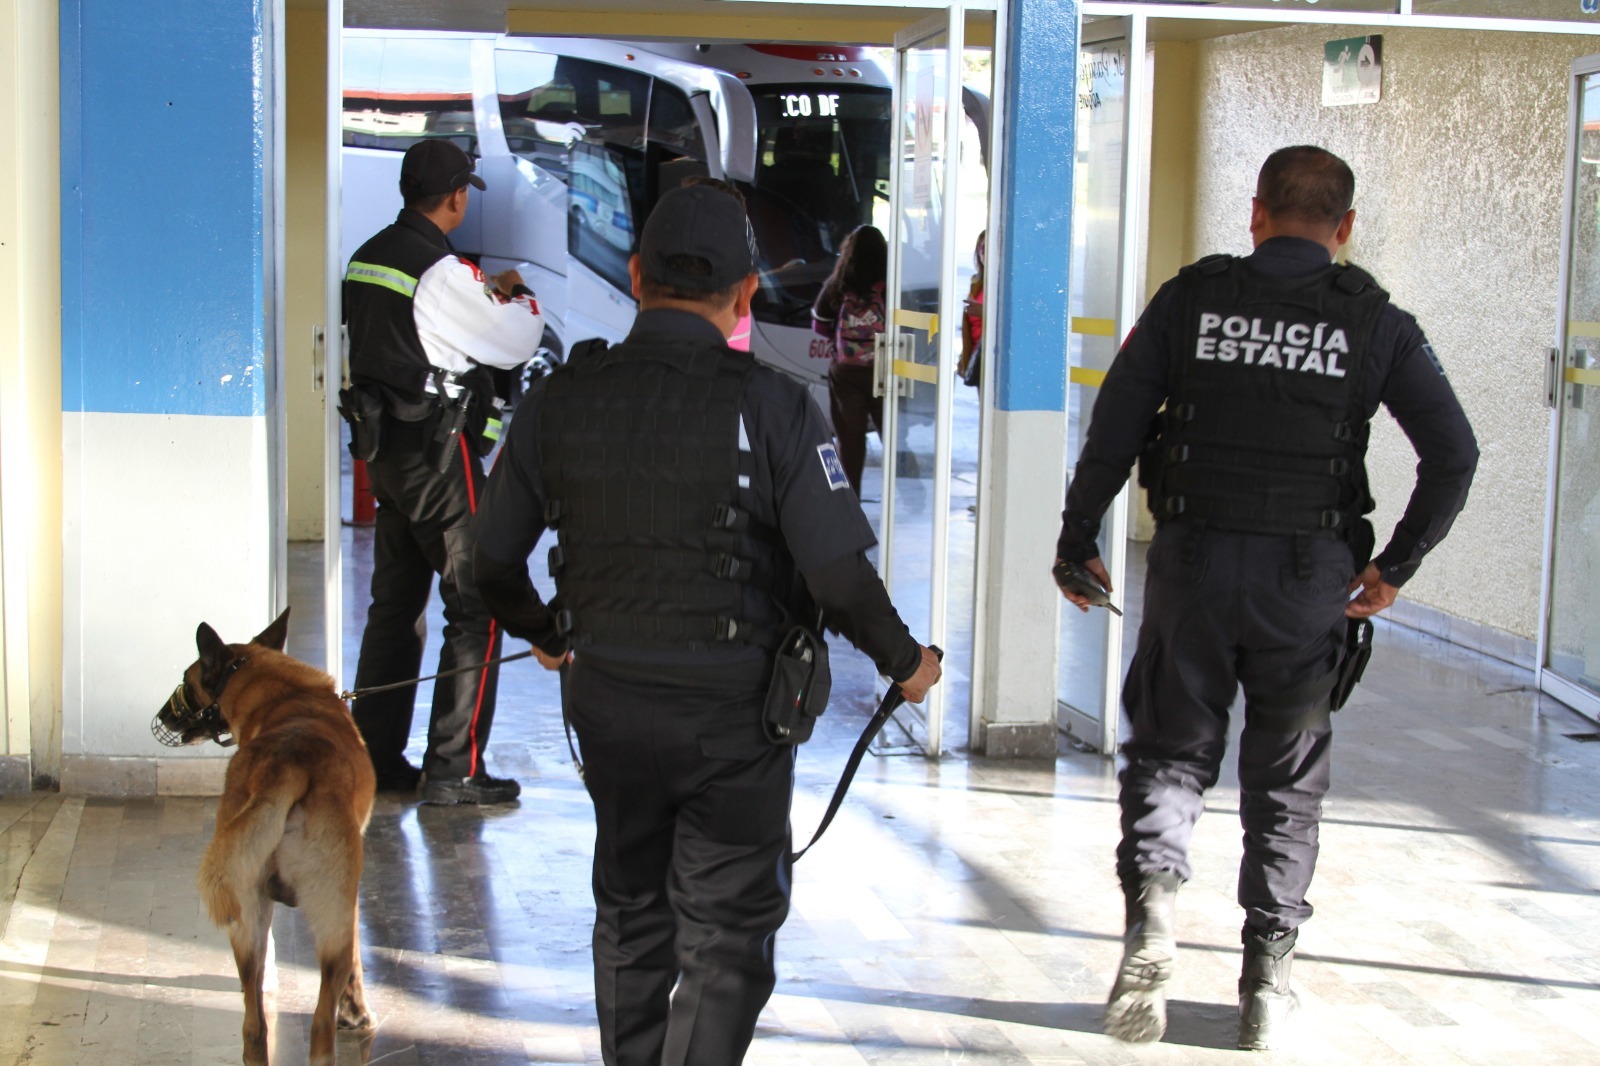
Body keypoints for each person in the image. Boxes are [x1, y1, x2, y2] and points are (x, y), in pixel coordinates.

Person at [473, 180, 943, 1065]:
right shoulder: (775, 406)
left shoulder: (561, 398)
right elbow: (836, 576)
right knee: (727, 932)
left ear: (636, 274)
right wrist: (905, 660)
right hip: (734, 719)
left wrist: (549, 633)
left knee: (630, 909)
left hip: (607, 703)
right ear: (747, 293)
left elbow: (488, 561)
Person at [1054, 146, 1478, 1050]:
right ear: (1345, 227)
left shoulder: (1189, 300)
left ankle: (1153, 915)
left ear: (1255, 213)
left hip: (1194, 566)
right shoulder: (1376, 322)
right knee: (1286, 780)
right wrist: (1396, 565)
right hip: (1308, 581)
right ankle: (1265, 984)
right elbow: (1455, 453)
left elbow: (1116, 423)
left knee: (1170, 754)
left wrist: (1077, 535)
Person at [342, 138, 545, 805]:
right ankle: (455, 770)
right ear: (457, 197)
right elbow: (515, 343)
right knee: (477, 604)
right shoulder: (444, 273)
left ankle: (375, 759)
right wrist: (516, 295)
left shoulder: (366, 257)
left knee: (395, 608)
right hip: (436, 454)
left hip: (384, 456)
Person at [810, 224, 887, 496]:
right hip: (882, 371)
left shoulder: (838, 284)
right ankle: (902, 496)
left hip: (846, 372)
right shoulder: (890, 283)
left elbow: (819, 324)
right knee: (891, 435)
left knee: (850, 441)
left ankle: (850, 504)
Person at [957, 230, 986, 387]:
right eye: (982, 248)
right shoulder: (977, 284)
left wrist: (985, 314)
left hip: (993, 358)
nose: (986, 253)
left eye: (991, 247)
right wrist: (965, 356)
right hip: (977, 357)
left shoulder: (1004, 284)